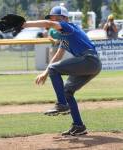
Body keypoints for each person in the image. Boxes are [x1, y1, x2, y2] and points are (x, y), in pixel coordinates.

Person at [23, 6, 102, 136]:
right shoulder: (65, 37)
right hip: (91, 64)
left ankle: (61, 104)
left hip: (90, 60)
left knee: (55, 69)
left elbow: (48, 24)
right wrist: (45, 72)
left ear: (64, 18)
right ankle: (78, 126)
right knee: (67, 91)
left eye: (55, 18)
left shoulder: (69, 27)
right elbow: (58, 55)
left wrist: (25, 24)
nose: (53, 20)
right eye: (52, 18)